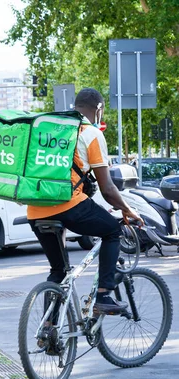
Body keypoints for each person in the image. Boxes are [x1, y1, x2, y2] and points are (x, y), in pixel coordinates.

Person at [27, 88, 143, 315]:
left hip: (35, 209)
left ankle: (49, 329)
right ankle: (103, 295)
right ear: (98, 109)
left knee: (58, 270)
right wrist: (128, 210)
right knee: (111, 231)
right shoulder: (91, 133)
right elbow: (108, 189)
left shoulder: (51, 129)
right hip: (68, 205)